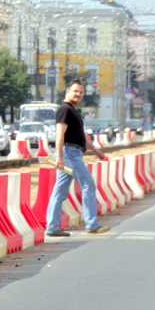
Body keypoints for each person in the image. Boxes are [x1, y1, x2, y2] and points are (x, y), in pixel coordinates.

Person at [46, 79, 110, 237]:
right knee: (88, 185)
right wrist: (59, 157)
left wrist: (96, 150)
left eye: (81, 92)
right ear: (67, 92)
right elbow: (59, 134)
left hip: (72, 153)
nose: (79, 94)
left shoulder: (73, 111)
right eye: (75, 91)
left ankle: (52, 227)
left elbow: (80, 136)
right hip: (69, 154)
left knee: (59, 191)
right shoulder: (65, 109)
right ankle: (91, 224)